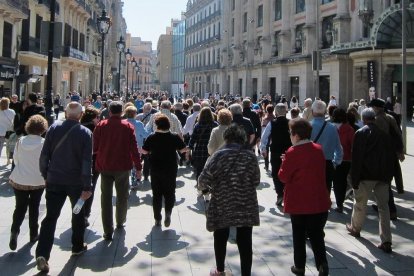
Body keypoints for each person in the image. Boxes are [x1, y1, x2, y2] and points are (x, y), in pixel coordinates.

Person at [35, 102, 93, 273]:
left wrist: (45, 174)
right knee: (77, 213)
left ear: (66, 113)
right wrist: (87, 185)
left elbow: (44, 154)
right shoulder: (85, 133)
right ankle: (76, 246)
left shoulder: (53, 128)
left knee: (50, 217)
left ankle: (43, 253)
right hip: (76, 182)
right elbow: (86, 162)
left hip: (54, 179)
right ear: (81, 115)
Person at [198, 124, 260, 276]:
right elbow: (256, 180)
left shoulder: (218, 156)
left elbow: (202, 181)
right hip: (246, 203)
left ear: (226, 138)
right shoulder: (250, 156)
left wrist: (209, 188)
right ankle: (246, 273)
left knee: (220, 236)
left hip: (222, 202)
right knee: (245, 240)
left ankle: (220, 270)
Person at [278, 119, 331, 276]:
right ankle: (322, 264)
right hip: (318, 200)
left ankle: (299, 266)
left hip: (299, 201)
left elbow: (283, 177)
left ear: (296, 135)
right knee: (316, 235)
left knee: (299, 235)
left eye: (291, 133)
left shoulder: (292, 152)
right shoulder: (318, 149)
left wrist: (284, 162)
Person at [346, 108, 395, 253]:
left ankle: (356, 228)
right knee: (383, 207)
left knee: (360, 204)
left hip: (365, 175)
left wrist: (354, 178)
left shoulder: (361, 133)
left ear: (363, 119)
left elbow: (357, 157)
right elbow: (390, 157)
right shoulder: (384, 135)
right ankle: (386, 239)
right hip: (382, 176)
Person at [93, 101, 142, 241]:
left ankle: (108, 230)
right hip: (122, 166)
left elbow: (95, 148)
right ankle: (120, 221)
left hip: (105, 165)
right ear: (122, 112)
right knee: (122, 196)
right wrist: (138, 167)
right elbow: (134, 148)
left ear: (109, 112)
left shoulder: (101, 126)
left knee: (106, 198)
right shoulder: (127, 126)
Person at [9, 115, 48, 251]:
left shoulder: (20, 141)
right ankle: (33, 233)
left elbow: (16, 160)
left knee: (19, 207)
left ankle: (15, 231)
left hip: (20, 178)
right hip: (37, 179)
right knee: (35, 206)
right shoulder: (44, 143)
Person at [141, 114, 187, 227]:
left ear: (157, 125)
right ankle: (168, 213)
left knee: (156, 194)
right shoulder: (174, 136)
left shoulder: (151, 137)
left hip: (156, 168)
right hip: (170, 168)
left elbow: (145, 151)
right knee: (170, 192)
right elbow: (183, 149)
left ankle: (157, 218)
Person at [260, 103, 292, 206]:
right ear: (286, 111)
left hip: (275, 151)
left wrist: (263, 149)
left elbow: (264, 137)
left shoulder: (272, 123)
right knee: (289, 173)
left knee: (275, 173)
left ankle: (279, 193)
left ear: (276, 112)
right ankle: (286, 193)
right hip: (288, 152)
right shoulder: (291, 123)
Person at [311, 100, 343, 194]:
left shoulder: (307, 126)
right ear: (325, 112)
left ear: (312, 112)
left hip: (311, 164)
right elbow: (339, 149)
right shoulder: (332, 128)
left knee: (311, 191)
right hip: (327, 164)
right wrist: (335, 163)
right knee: (326, 191)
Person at [80, 107, 101, 226]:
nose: (99, 119)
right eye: (98, 117)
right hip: (92, 163)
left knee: (78, 189)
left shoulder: (78, 127)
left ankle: (78, 212)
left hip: (77, 163)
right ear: (93, 118)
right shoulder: (95, 129)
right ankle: (85, 215)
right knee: (89, 188)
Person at [331, 108, 355, 213]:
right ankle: (340, 202)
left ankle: (338, 202)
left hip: (332, 159)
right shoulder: (349, 129)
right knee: (342, 181)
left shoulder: (330, 128)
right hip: (346, 159)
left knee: (335, 182)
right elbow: (352, 145)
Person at [189, 107, 218, 187]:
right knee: (211, 169)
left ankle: (200, 185)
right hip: (212, 151)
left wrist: (189, 148)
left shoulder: (197, 125)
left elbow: (193, 139)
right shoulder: (215, 125)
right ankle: (210, 185)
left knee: (200, 170)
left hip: (200, 151)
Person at [124, 106, 149, 189]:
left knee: (126, 164)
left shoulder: (122, 122)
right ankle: (134, 182)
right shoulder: (139, 124)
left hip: (124, 148)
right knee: (135, 164)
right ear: (135, 114)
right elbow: (145, 135)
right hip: (137, 147)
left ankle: (125, 181)